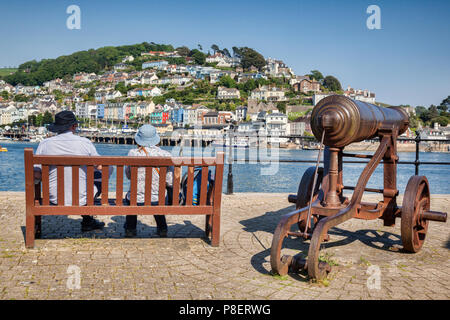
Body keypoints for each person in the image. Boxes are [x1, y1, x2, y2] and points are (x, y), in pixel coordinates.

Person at [33, 110, 108, 232]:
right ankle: (88, 220)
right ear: (74, 126)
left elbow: (36, 174)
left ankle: (88, 220)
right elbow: (100, 166)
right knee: (101, 174)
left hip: (53, 198)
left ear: (57, 127)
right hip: (82, 198)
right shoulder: (85, 143)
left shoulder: (45, 144)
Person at [123, 124, 173, 238]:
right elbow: (170, 181)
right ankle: (162, 228)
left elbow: (128, 176)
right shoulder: (166, 155)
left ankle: (130, 229)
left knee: (131, 198)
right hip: (158, 199)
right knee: (159, 195)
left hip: (136, 198)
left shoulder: (133, 154)